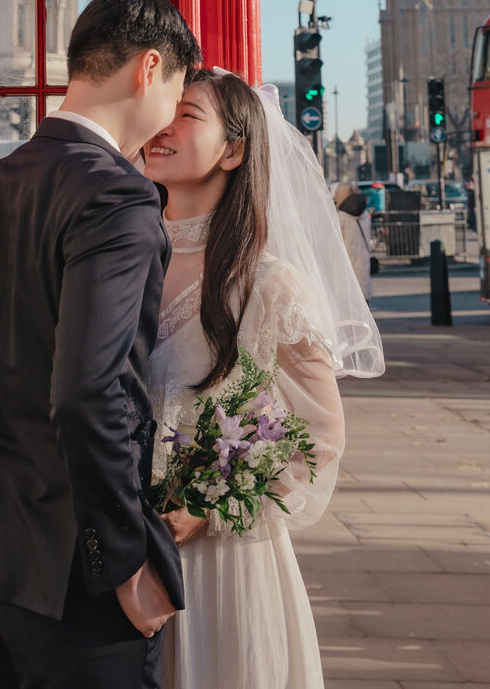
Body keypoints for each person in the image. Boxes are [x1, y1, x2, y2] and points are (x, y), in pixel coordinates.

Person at [0, 0, 202, 689]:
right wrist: (122, 559)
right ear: (149, 68)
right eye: (179, 88)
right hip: (72, 577)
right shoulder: (118, 196)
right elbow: (88, 393)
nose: (173, 112)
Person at [143, 71, 384, 689]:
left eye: (187, 115)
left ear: (234, 150)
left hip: (221, 571)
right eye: (162, 110)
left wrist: (207, 511)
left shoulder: (268, 285)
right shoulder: (124, 261)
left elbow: (318, 439)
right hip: (122, 555)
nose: (162, 126)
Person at [333, 181, 373, 300]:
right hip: (363, 269)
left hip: (346, 272)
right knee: (363, 304)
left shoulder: (341, 217)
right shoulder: (365, 214)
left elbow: (335, 247)